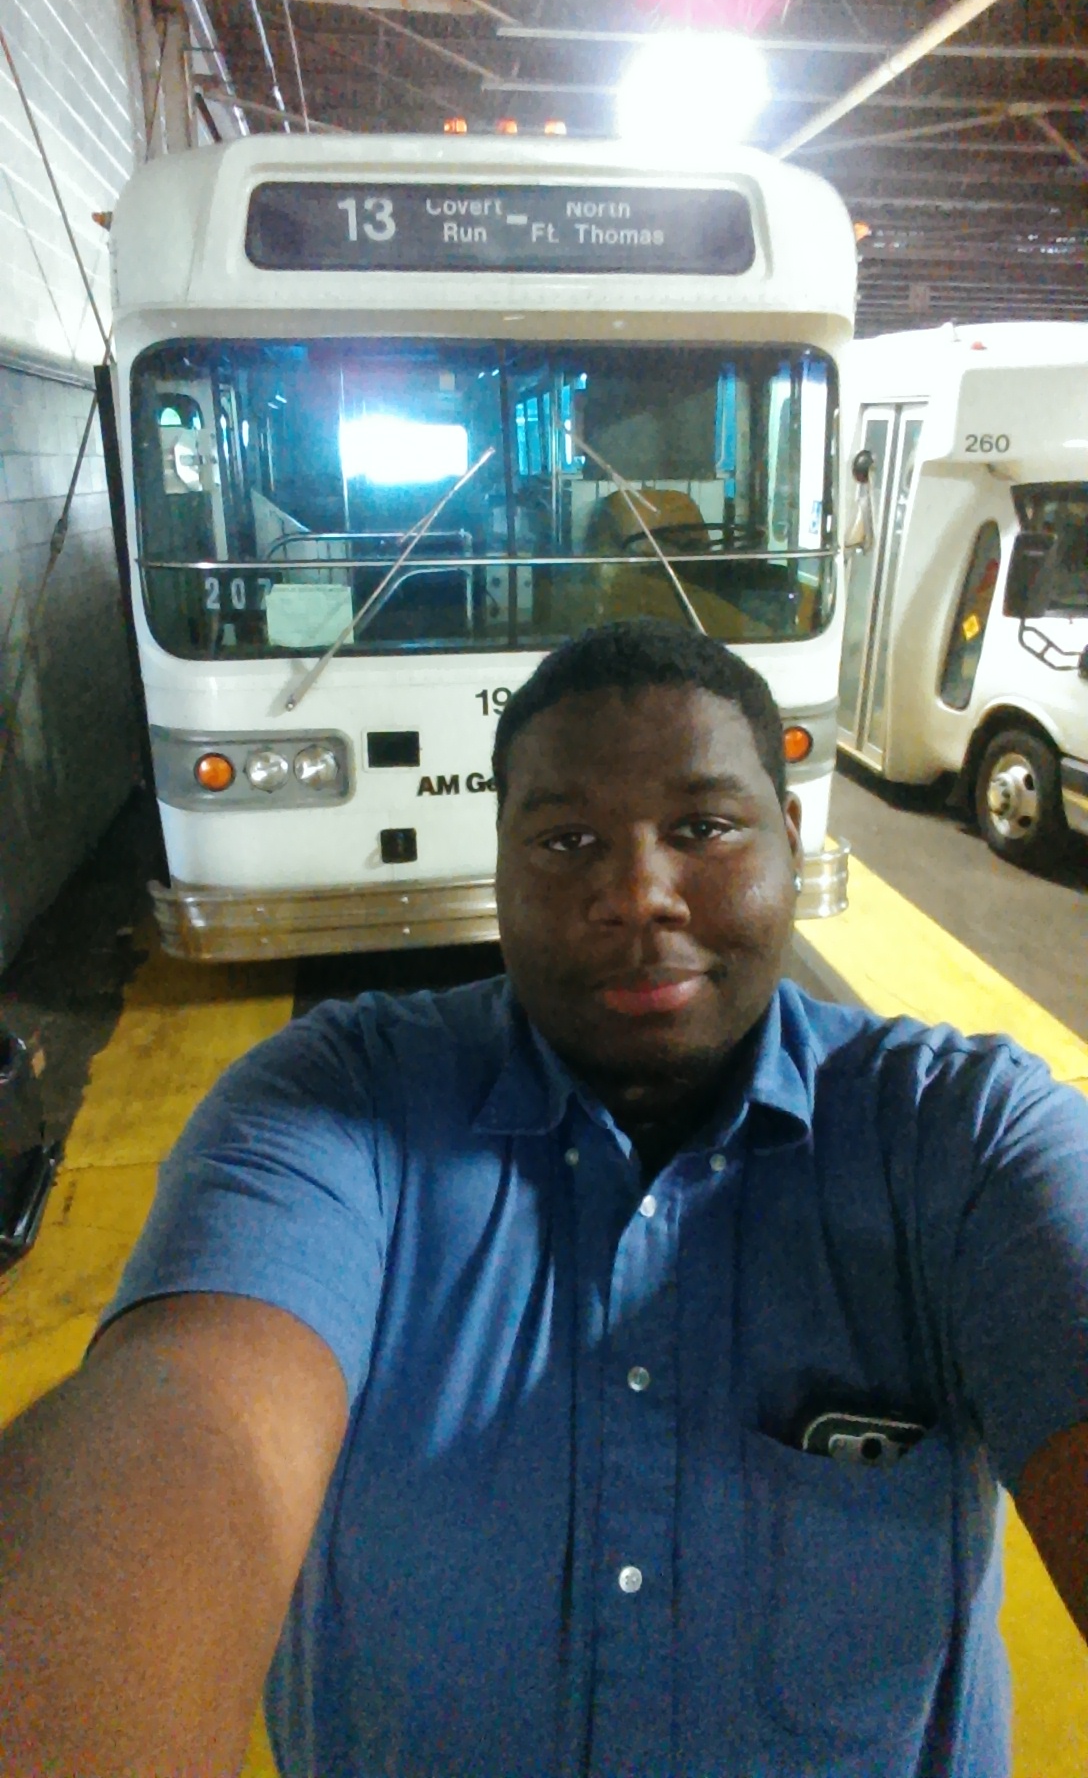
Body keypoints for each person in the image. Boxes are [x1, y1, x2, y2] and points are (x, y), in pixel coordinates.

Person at [1, 618, 1086, 1778]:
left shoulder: (960, 1134)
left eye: (701, 829)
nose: (636, 894)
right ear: (500, 869)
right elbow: (187, 1421)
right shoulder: (335, 1108)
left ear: (789, 833)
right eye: (567, 839)